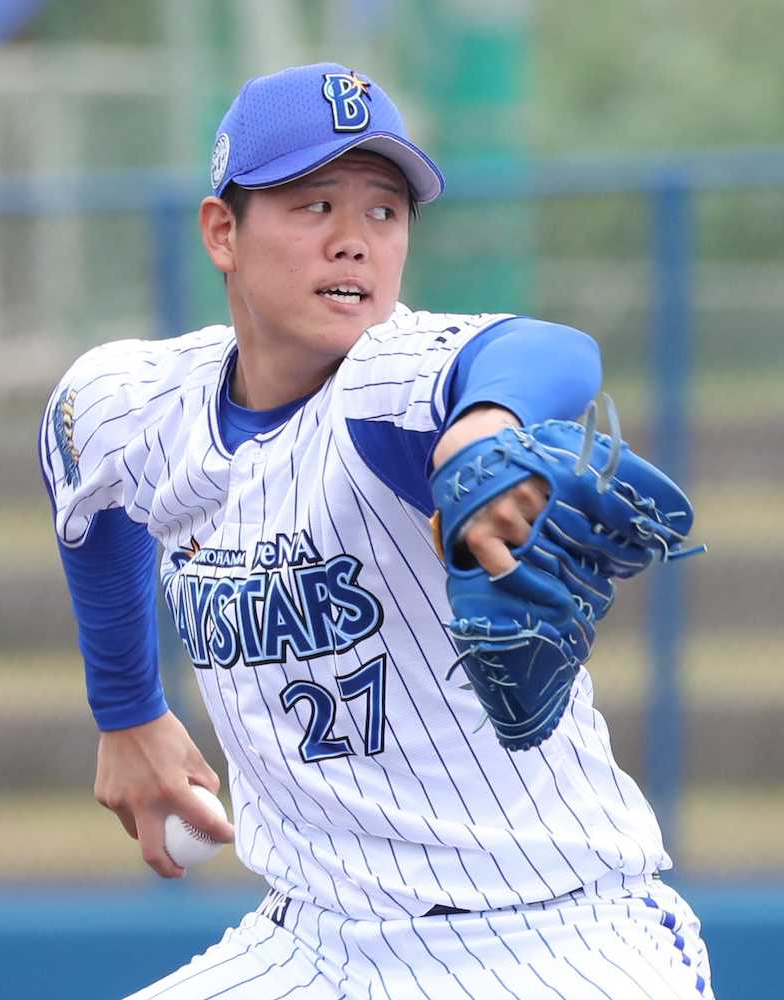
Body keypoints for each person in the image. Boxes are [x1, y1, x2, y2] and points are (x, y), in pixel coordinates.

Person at [40, 63, 713, 999]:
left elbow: (545, 350)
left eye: (384, 211)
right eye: (314, 205)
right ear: (222, 231)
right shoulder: (141, 403)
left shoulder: (388, 384)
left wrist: (484, 427)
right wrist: (128, 711)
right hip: (313, 944)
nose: (353, 240)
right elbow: (82, 470)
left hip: (549, 937)